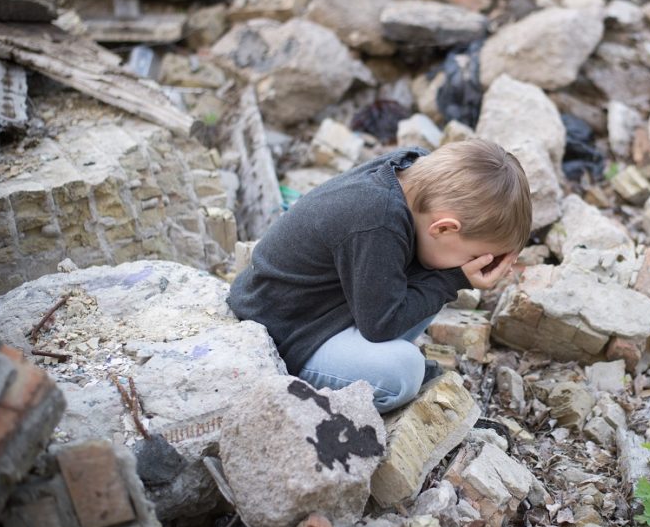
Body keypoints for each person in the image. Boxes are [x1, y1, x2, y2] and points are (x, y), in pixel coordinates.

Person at [228, 138, 532, 413]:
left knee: (438, 272)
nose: (476, 263)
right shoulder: (379, 222)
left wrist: (453, 273)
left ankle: (354, 359)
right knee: (404, 372)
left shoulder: (415, 177)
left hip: (326, 310)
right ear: (443, 228)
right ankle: (312, 389)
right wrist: (453, 280)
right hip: (283, 333)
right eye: (473, 255)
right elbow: (381, 327)